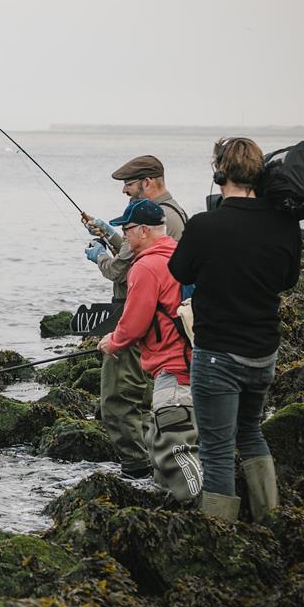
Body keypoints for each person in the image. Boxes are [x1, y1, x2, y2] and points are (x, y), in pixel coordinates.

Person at [168, 137, 302, 522]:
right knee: (251, 432)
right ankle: (270, 519)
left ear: (219, 173)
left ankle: (220, 533)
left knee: (216, 450)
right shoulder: (286, 224)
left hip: (217, 356)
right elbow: (289, 279)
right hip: (263, 353)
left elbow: (179, 272)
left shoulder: (205, 225)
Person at [81, 155, 188, 479]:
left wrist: (100, 256)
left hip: (147, 321)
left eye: (128, 185)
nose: (125, 190)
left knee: (118, 398)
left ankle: (137, 469)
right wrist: (111, 235)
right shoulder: (173, 214)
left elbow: (121, 270)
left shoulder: (161, 222)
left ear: (147, 182)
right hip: (163, 325)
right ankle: (154, 465)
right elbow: (140, 250)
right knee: (143, 396)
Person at [96, 199, 201, 502]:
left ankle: (204, 515)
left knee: (175, 454)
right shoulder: (181, 256)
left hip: (174, 371)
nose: (124, 235)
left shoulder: (145, 267)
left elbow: (133, 325)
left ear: (143, 230)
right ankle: (172, 510)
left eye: (127, 229)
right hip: (200, 365)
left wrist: (112, 342)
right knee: (167, 449)